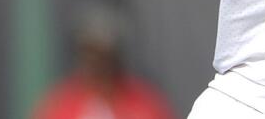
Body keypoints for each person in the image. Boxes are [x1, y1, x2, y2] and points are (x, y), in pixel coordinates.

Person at [33, 6, 175, 119]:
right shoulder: (61, 104)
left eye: (104, 56)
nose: (97, 64)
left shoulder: (144, 103)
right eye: (90, 53)